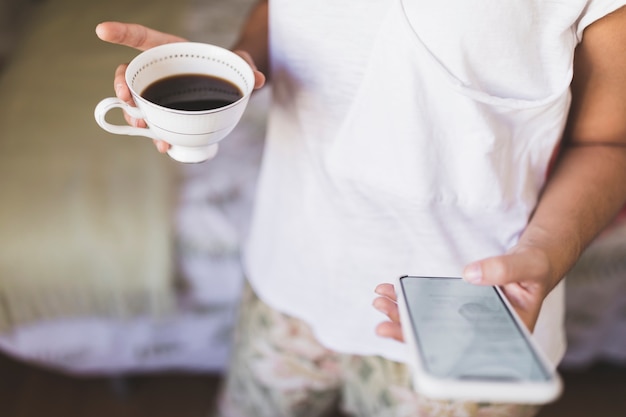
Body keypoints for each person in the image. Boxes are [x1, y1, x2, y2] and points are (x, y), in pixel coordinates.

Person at [96, 1, 626, 415]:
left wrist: (547, 252)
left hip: (465, 316)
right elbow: (278, 11)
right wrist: (230, 69)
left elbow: (608, 144)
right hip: (288, 278)